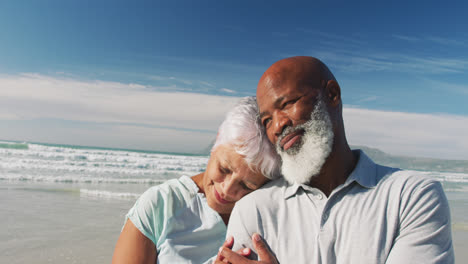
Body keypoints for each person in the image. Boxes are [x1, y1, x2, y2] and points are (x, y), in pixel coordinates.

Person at [216, 57, 454, 264]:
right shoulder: (253, 210)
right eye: (267, 120)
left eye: (287, 104)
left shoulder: (411, 197)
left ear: (332, 94)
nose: (278, 125)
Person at [112, 96, 280, 264]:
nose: (227, 189)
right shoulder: (160, 205)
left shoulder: (271, 214)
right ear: (217, 139)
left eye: (247, 185)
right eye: (224, 169)